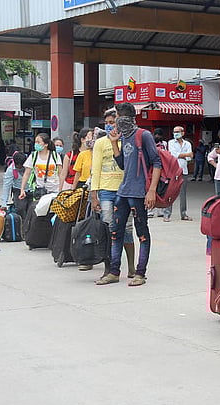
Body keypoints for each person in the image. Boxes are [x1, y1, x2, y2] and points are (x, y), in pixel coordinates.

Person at [96, 102, 162, 287]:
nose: (113, 121)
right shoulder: (123, 136)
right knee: (116, 231)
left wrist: (151, 190)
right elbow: (123, 164)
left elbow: (157, 162)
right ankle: (114, 272)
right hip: (123, 191)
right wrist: (114, 143)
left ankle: (140, 273)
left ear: (124, 117)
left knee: (142, 233)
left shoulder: (144, 135)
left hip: (140, 193)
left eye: (116, 117)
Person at [90, 109, 136, 282]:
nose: (110, 125)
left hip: (125, 190)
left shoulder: (128, 140)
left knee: (127, 229)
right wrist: (94, 195)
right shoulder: (100, 143)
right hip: (106, 191)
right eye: (107, 123)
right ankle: (110, 269)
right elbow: (95, 169)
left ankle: (131, 267)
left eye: (113, 122)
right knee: (109, 229)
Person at [19, 133, 62, 200]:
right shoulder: (33, 156)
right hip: (40, 190)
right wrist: (22, 189)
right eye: (35, 142)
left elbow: (60, 173)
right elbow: (26, 174)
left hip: (55, 190)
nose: (36, 144)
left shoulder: (55, 156)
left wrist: (61, 189)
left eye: (38, 142)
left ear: (46, 144)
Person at [164, 125, 193, 222]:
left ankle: (183, 214)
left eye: (177, 131)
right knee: (170, 192)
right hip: (173, 171)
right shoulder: (171, 142)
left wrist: (183, 156)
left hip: (183, 170)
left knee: (183, 193)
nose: (175, 133)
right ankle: (167, 214)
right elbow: (173, 155)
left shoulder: (187, 144)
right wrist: (185, 155)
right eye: (174, 132)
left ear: (183, 133)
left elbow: (190, 157)